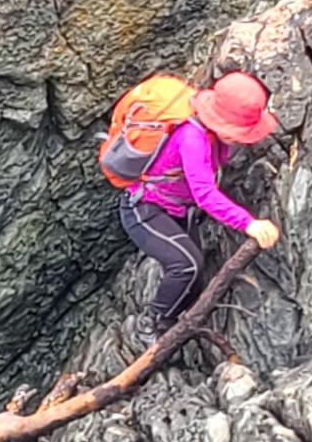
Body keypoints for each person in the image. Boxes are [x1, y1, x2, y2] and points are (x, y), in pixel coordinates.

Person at [119, 70, 283, 329]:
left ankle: (172, 327)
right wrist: (248, 223)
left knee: (194, 279)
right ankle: (148, 325)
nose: (241, 139)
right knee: (185, 266)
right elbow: (205, 195)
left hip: (177, 210)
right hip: (144, 209)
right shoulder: (192, 139)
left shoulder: (210, 135)